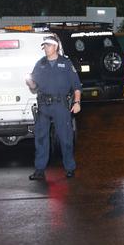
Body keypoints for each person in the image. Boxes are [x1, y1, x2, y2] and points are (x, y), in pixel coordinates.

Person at [26, 35, 81, 180]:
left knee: (65, 137)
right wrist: (30, 82)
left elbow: (76, 86)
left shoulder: (66, 63)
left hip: (60, 104)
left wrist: (77, 102)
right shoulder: (40, 64)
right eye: (44, 46)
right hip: (44, 105)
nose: (45, 48)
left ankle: (69, 168)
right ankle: (39, 170)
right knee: (41, 137)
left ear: (55, 47)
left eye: (48, 45)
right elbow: (34, 87)